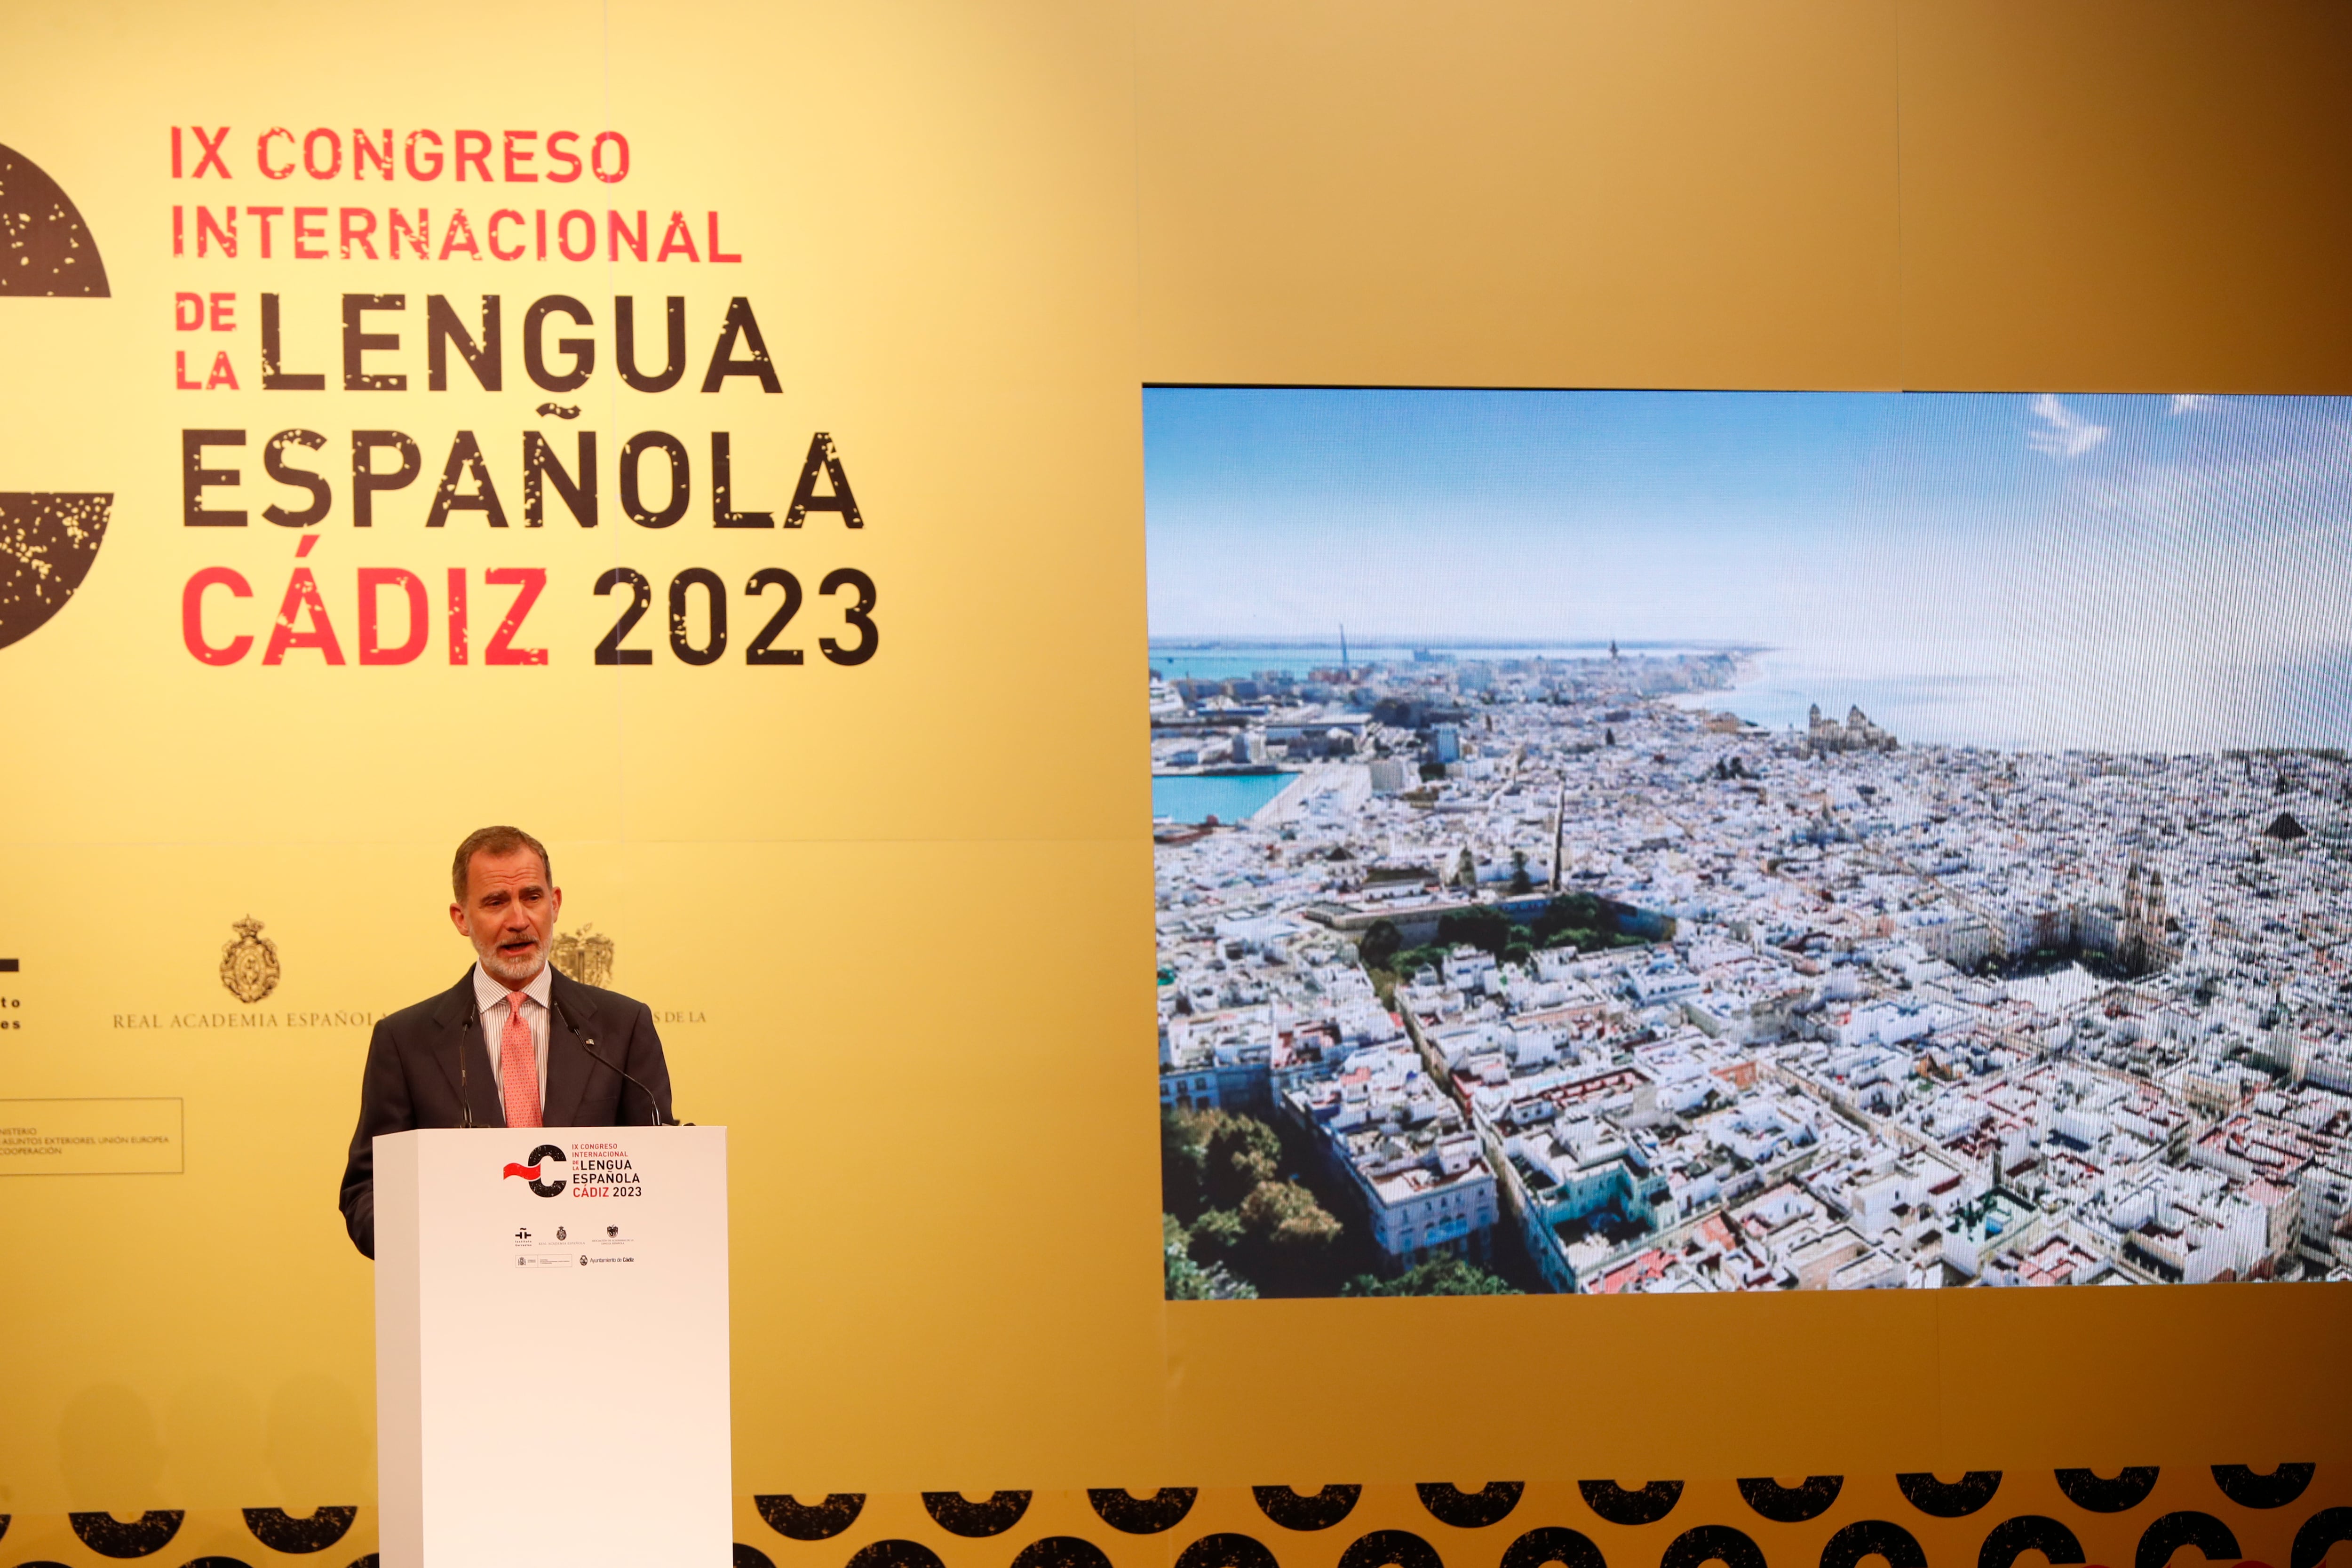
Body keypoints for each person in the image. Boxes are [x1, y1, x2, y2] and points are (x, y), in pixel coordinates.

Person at [336, 825, 674, 1258]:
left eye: (532, 898)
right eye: (496, 902)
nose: (518, 920)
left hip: (594, 1294)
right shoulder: (405, 1041)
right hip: (462, 1295)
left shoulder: (624, 1026)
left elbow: (660, 1170)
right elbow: (368, 1190)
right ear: (462, 918)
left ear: (554, 904)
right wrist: (428, 1240)